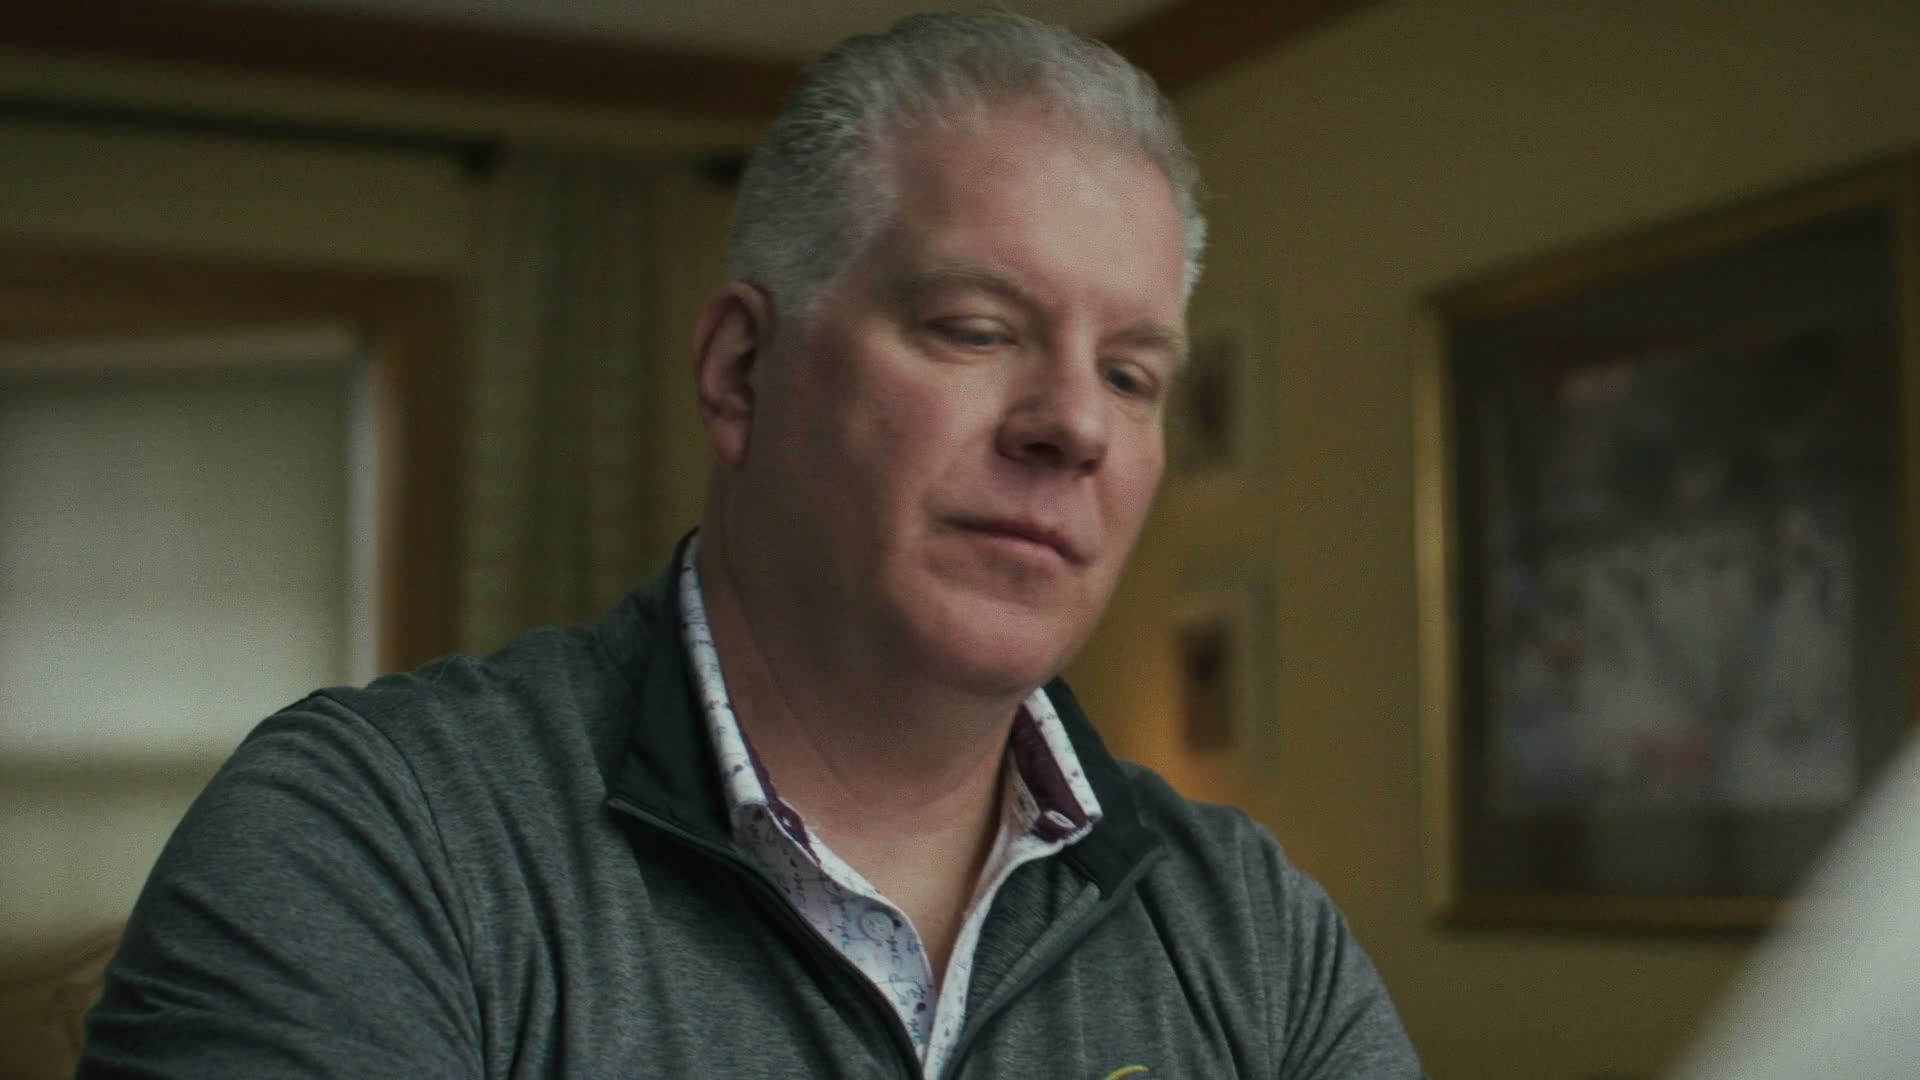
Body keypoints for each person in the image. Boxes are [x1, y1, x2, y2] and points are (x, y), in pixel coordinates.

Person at [80, 12, 1422, 1078]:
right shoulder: (371, 844)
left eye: (1132, 375)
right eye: (974, 328)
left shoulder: (1256, 936)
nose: (1074, 423)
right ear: (739, 371)